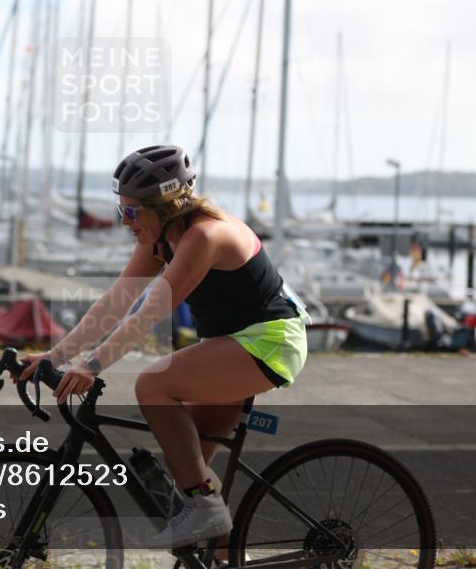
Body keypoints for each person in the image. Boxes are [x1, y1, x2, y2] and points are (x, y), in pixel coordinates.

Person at [19, 144, 308, 550]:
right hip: (232, 343)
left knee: (152, 385)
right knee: (189, 475)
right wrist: (56, 356)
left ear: (166, 205)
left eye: (132, 212)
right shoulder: (159, 240)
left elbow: (146, 314)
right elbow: (116, 302)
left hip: (269, 341)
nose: (124, 222)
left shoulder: (205, 236)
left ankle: (207, 510)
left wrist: (93, 365)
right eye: (121, 210)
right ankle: (222, 553)